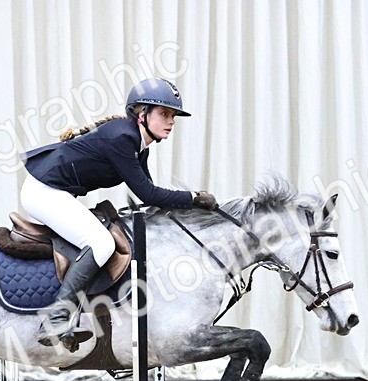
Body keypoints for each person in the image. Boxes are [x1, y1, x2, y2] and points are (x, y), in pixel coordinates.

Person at [20, 77, 219, 349]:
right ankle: (57, 319)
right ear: (142, 113)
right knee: (101, 244)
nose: (171, 121)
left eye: (173, 116)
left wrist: (187, 210)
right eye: (164, 114)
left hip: (53, 191)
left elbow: (149, 195)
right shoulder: (123, 138)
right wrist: (193, 198)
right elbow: (149, 194)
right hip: (42, 192)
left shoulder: (138, 144)